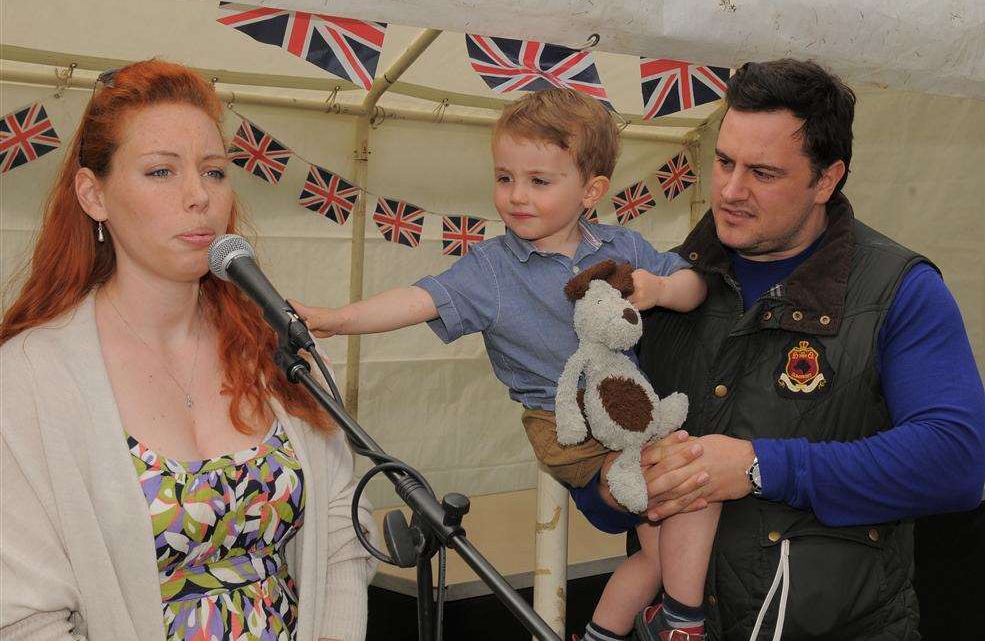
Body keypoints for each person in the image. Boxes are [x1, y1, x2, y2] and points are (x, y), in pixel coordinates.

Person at [569, 59, 985, 640]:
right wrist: (611, 486)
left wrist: (760, 467)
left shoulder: (900, 290)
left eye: (763, 173)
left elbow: (955, 461)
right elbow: (592, 453)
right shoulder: (662, 284)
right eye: (724, 162)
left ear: (826, 179)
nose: (732, 191)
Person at [292, 88, 718, 641]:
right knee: (676, 488)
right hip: (566, 430)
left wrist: (660, 288)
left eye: (539, 182)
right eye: (504, 177)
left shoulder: (622, 246)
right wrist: (337, 319)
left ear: (591, 191)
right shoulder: (492, 269)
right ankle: (685, 623)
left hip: (631, 416)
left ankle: (633, 627)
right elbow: (418, 299)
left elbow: (696, 284)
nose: (516, 196)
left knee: (671, 532)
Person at [0, 59, 378, 641]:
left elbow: (340, 533)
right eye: (160, 172)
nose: (198, 197)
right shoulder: (29, 378)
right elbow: (25, 618)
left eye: (215, 172)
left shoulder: (278, 345)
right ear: (93, 194)